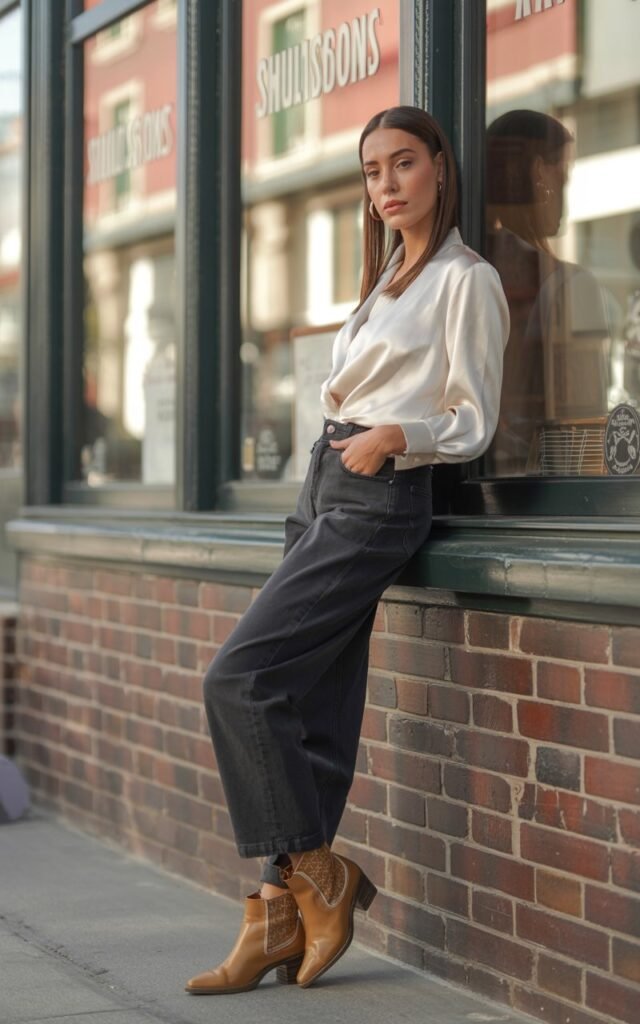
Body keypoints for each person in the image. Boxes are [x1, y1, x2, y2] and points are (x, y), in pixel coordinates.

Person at [185, 104, 509, 996]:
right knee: (311, 707)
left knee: (238, 679)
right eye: (372, 172)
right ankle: (273, 918)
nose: (387, 185)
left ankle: (321, 876)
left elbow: (475, 418)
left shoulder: (463, 280)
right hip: (326, 485)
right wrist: (335, 454)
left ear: (440, 168)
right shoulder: (387, 280)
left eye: (403, 164)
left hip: (380, 492)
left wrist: (393, 437)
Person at [484, 109, 611, 476]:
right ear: (539, 172)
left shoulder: (463, 271)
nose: (565, 199)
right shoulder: (570, 286)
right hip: (543, 493)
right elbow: (584, 435)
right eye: (564, 177)